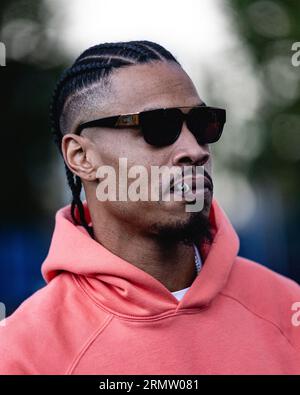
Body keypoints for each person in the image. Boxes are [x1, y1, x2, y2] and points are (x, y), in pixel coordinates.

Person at [0, 40, 299, 375]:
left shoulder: (288, 310)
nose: (194, 150)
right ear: (81, 157)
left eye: (203, 124)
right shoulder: (21, 353)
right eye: (158, 126)